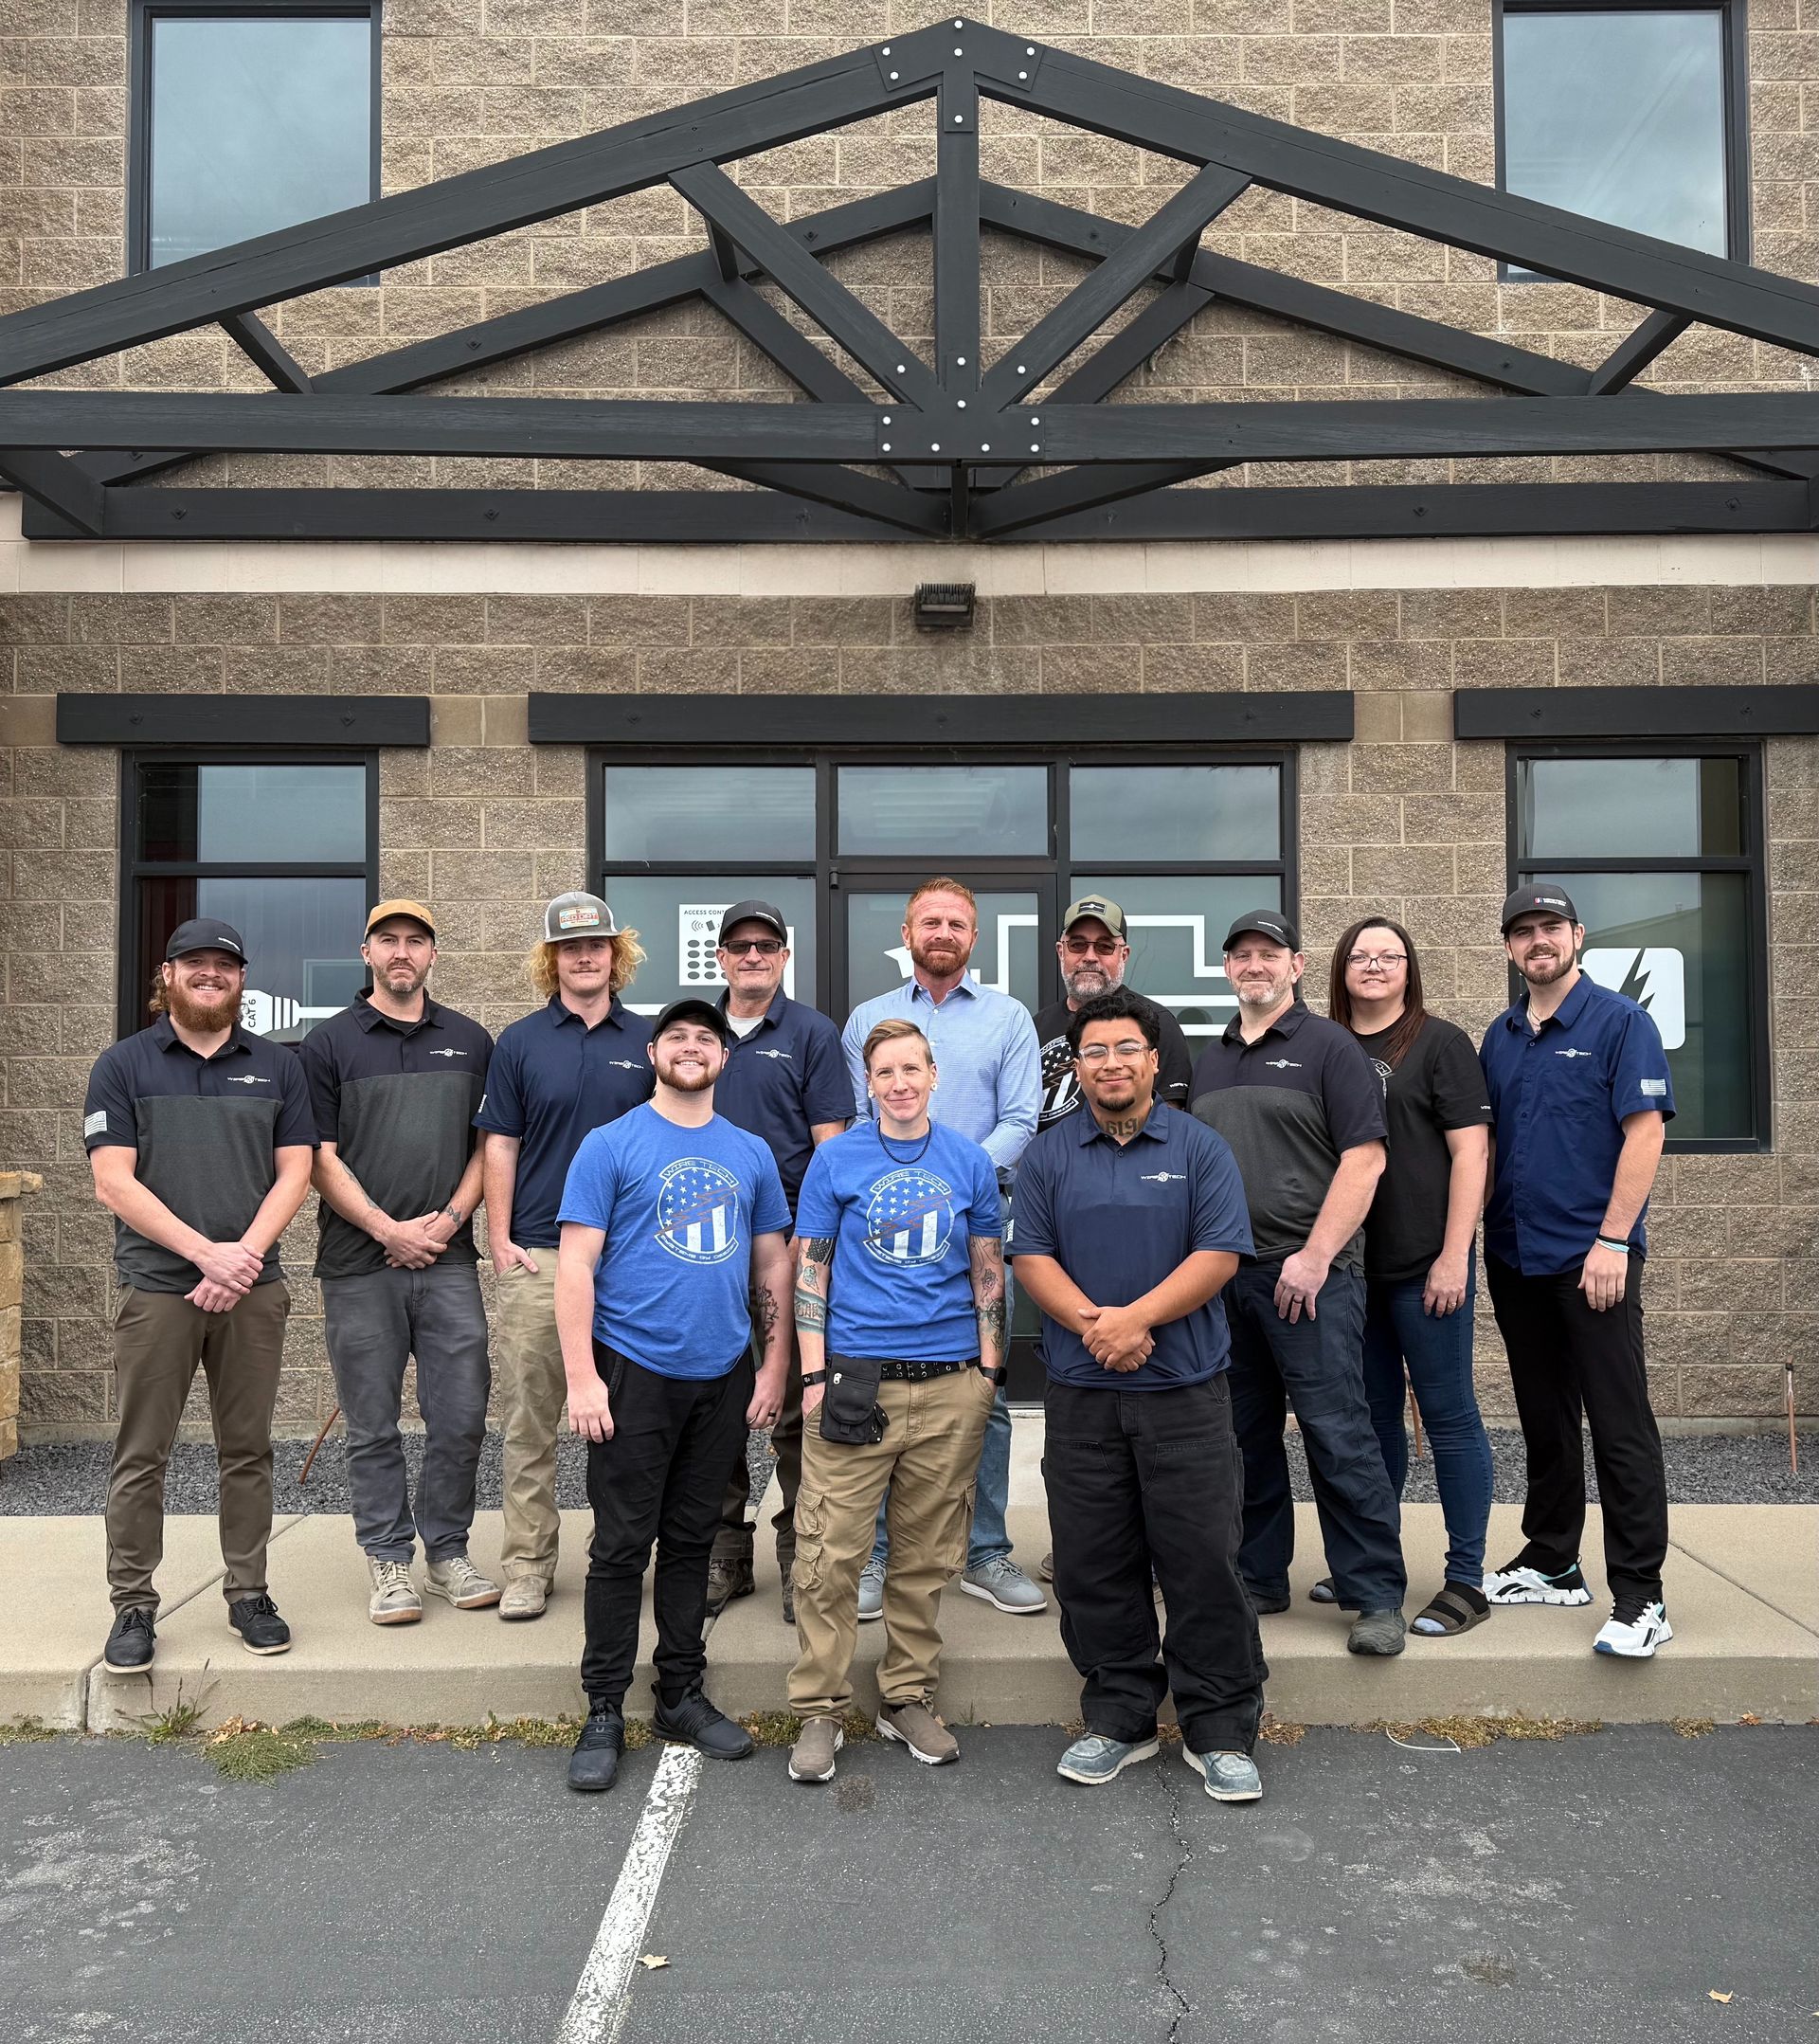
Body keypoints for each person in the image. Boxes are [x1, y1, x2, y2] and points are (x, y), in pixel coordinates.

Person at [1013, 990, 1268, 1802]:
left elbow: (1220, 1252)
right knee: (1094, 1564)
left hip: (1184, 1393)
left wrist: (1136, 1319)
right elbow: (1031, 1256)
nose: (1111, 1063)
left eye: (1127, 1048)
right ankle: (1119, 1716)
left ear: (1154, 1060)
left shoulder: (1199, 1148)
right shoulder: (1051, 1154)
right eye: (1095, 1051)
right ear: (1077, 1065)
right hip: (1084, 1393)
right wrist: (1099, 1327)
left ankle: (1219, 1725)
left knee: (1201, 1561)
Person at [557, 999, 795, 1792]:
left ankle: (680, 1693)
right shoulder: (610, 1144)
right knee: (622, 1545)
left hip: (721, 1373)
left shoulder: (751, 1151)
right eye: (679, 1037)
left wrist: (771, 1368)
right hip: (631, 1371)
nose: (693, 1048)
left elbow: (771, 1267)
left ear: (724, 1058)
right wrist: (582, 1377)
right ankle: (601, 1706)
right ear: (653, 1050)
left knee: (694, 1541)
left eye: (707, 1039)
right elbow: (575, 1268)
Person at [82, 918, 315, 1672]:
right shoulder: (122, 1065)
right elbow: (112, 1180)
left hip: (252, 1289)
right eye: (196, 964)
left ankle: (248, 1592)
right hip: (158, 1290)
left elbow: (296, 1171)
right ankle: (133, 1606)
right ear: (168, 974)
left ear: (240, 979)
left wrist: (241, 1258)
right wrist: (204, 1255)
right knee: (141, 1452)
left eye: (224, 965)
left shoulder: (279, 1066)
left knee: (246, 1449)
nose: (210, 974)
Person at [783, 1020, 1005, 1782]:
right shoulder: (836, 1159)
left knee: (926, 1554)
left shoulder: (969, 1160)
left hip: (949, 1384)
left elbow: (987, 1270)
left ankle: (907, 1694)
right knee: (829, 1553)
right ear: (868, 1082)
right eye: (885, 1071)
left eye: (912, 1067)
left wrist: (991, 1371)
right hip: (855, 1381)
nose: (900, 1082)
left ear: (934, 1074)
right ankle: (819, 1707)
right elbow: (810, 1271)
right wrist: (812, 1375)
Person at [1189, 909, 1408, 1656]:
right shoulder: (1209, 1057)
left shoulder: (1330, 1048)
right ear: (1228, 969)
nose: (1255, 965)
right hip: (1227, 1281)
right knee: (1241, 1438)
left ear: (1297, 965)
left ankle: (1374, 1592)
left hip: (1312, 1278)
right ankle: (1259, 1577)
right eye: (1242, 954)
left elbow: (1365, 1160)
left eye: (1268, 954)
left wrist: (1315, 1255)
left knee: (1337, 1433)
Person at [840, 877, 1044, 1620]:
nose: (944, 931)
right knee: (893, 1387)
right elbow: (856, 1122)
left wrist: (951, 1183)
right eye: (931, 920)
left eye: (957, 922)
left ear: (974, 937)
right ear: (907, 930)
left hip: (977, 1222)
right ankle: (884, 1553)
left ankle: (985, 1550)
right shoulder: (870, 1018)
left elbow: (1021, 1120)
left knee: (983, 1387)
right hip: (883, 1234)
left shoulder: (1007, 1017)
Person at [1480, 885, 1676, 1658]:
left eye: (1550, 928)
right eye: (1523, 931)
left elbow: (1644, 1133)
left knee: (1620, 1425)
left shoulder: (1621, 1023)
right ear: (1508, 948)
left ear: (1577, 936)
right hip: (1515, 1258)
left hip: (1592, 1259)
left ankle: (1642, 1595)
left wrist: (1614, 1240)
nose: (1538, 941)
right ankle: (1554, 1558)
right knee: (1545, 1415)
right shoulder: (1499, 1036)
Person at [297, 900, 499, 1627]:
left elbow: (490, 1148)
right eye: (389, 941)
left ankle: (446, 1551)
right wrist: (388, 1227)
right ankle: (388, 1558)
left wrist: (444, 1222)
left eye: (416, 940)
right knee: (372, 1423)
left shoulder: (472, 1041)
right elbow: (318, 1157)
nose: (402, 952)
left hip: (447, 1259)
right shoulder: (327, 1045)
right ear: (367, 952)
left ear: (434, 955)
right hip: (359, 1263)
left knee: (461, 1415)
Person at [476, 894, 653, 1621]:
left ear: (618, 955)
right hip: (542, 1254)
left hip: (632, 1261)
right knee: (530, 1420)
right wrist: (497, 1235)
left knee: (634, 1424)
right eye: (571, 948)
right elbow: (501, 1144)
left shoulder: (648, 1037)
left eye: (599, 946)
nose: (586, 957)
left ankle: (622, 1558)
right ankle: (526, 1565)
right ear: (551, 958)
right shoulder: (519, 1042)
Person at [1325, 917, 1494, 1638]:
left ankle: (1466, 1578)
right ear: (1339, 967)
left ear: (1409, 968)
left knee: (1450, 1420)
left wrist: (1456, 1253)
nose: (1373, 965)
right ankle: (1375, 1564)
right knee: (1370, 1424)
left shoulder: (1441, 1044)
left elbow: (1472, 1154)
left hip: (1427, 1269)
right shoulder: (1323, 1044)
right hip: (1352, 1272)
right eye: (1360, 955)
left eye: (1388, 955)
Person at [705, 901, 850, 1624]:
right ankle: (727, 1552)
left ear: (784, 956)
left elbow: (831, 1147)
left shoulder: (812, 1033)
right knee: (719, 1403)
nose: (753, 955)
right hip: (702, 1249)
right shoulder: (694, 1032)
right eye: (740, 945)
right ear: (721, 957)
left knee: (796, 1406)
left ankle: (801, 1553)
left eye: (766, 945)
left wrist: (809, 1242)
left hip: (788, 1245)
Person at [1032, 895, 1193, 1131]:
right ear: (1060, 952)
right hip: (1048, 1166)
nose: (1089, 957)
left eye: (1104, 946)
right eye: (1077, 945)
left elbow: (1171, 1124)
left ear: (1124, 955)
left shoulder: (1156, 1022)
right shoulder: (1034, 1028)